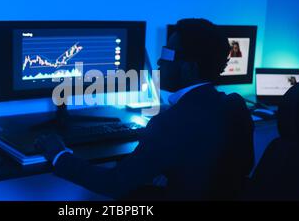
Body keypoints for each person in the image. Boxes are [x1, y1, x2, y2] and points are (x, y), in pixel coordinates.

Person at [35, 19, 255, 200]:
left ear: (190, 68)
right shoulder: (234, 105)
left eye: (168, 54)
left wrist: (59, 155)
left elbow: (113, 184)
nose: (159, 60)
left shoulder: (172, 123)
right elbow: (242, 165)